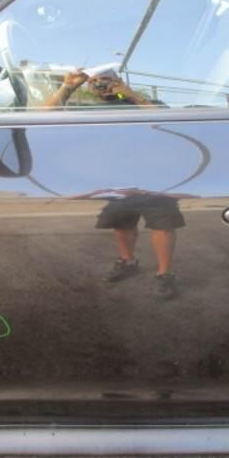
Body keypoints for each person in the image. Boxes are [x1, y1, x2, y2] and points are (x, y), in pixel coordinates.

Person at [52, 72, 182, 300]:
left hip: (156, 178)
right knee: (121, 224)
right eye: (94, 82)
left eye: (106, 80)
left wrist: (131, 95)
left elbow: (167, 121)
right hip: (118, 178)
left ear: (119, 81)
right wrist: (68, 86)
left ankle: (165, 274)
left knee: (162, 225)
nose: (101, 85)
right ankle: (128, 261)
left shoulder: (145, 103)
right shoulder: (86, 108)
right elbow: (46, 113)